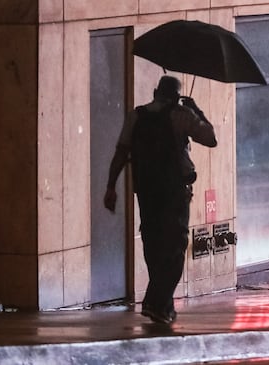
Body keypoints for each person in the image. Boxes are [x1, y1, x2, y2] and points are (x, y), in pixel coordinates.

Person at [104, 75, 217, 323]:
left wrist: (111, 186)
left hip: (146, 190)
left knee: (153, 246)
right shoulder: (181, 115)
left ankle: (162, 307)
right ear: (177, 96)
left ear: (155, 91)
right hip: (174, 191)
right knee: (176, 248)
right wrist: (195, 109)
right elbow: (211, 138)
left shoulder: (136, 116)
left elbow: (121, 152)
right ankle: (156, 302)